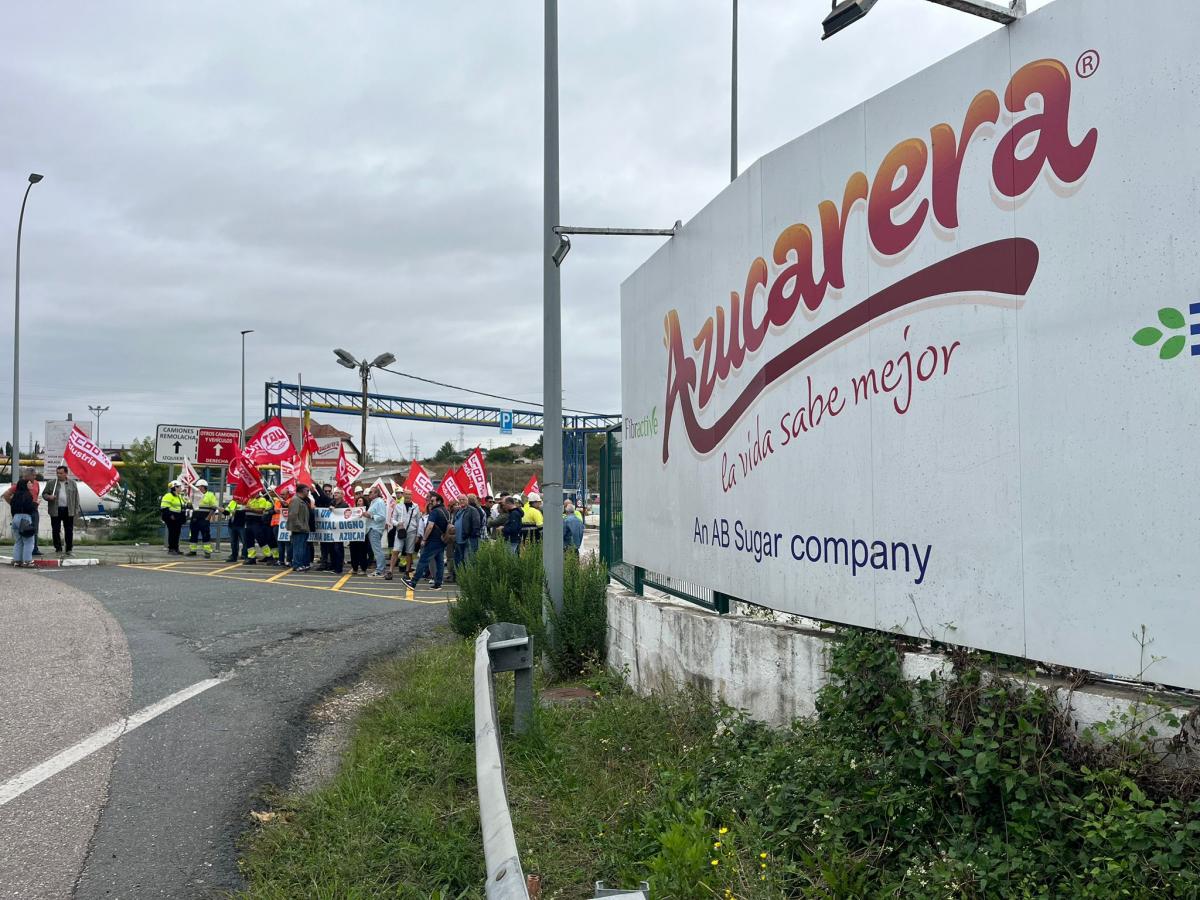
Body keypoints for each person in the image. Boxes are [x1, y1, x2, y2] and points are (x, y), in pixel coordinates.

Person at [405, 493, 449, 590]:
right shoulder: (446, 511)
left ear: (439, 501)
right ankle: (438, 583)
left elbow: (430, 526)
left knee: (423, 561)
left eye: (432, 501)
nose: (430, 503)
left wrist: (424, 539)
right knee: (440, 562)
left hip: (433, 540)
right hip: (442, 540)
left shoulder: (434, 511)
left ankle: (413, 582)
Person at [43, 464, 81, 557]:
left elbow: (76, 497)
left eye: (61, 473)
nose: (59, 475)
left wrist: (76, 510)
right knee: (56, 530)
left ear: (66, 474)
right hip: (55, 510)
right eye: (57, 473)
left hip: (69, 510)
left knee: (69, 530)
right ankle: (58, 548)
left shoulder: (72, 483)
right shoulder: (51, 483)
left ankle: (69, 549)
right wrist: (49, 497)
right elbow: (44, 494)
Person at [387, 491, 422, 581]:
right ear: (403, 495)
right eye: (406, 494)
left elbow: (418, 521)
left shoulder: (416, 507)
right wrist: (398, 523)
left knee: (409, 552)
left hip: (412, 532)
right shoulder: (398, 506)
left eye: (409, 494)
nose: (407, 496)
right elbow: (393, 519)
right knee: (395, 551)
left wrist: (418, 535)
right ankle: (390, 571)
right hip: (400, 531)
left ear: (411, 496)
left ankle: (407, 572)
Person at [4, 476, 38, 567]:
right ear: (25, 485)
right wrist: (35, 504)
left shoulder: (15, 496)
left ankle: (17, 560)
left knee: (18, 541)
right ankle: (27, 561)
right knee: (28, 541)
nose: (31, 484)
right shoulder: (28, 495)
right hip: (25, 518)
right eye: (29, 483)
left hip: (15, 518)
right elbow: (29, 508)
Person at [187, 479, 219, 558]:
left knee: (205, 535)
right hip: (195, 518)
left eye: (199, 487)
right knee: (193, 535)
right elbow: (189, 506)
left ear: (203, 487)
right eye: (197, 487)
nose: (197, 488)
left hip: (204, 518)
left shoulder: (210, 495)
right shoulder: (194, 495)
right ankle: (192, 551)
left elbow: (214, 507)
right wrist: (189, 502)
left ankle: (207, 552)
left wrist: (208, 517)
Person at [243, 488, 275, 565]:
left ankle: (269, 556)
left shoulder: (262, 500)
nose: (251, 494)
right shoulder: (250, 500)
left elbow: (261, 511)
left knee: (261, 540)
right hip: (248, 522)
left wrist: (250, 509)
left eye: (252, 492)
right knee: (249, 541)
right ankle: (251, 557)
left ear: (257, 492)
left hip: (257, 522)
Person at [287, 483, 313, 571]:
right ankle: (297, 565)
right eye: (307, 490)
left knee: (302, 547)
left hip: (303, 528)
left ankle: (301, 564)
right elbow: (293, 515)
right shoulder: (295, 500)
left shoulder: (302, 500)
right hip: (299, 529)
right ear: (302, 491)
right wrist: (301, 526)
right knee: (298, 547)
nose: (308, 492)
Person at [365, 485, 388, 577]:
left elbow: (382, 516)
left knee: (377, 550)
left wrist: (370, 516)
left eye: (371, 492)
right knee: (377, 550)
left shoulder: (379, 502)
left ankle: (380, 570)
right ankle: (380, 569)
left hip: (375, 529)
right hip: (372, 528)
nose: (369, 493)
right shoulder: (374, 502)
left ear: (376, 493)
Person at [457, 494, 484, 567]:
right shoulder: (459, 510)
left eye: (463, 499)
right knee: (461, 560)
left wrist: (470, 536)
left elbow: (476, 525)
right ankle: (462, 577)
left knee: (469, 560)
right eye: (460, 500)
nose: (461, 501)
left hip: (469, 539)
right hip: (459, 539)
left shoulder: (472, 510)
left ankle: (470, 577)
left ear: (467, 500)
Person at [160, 481, 185, 555]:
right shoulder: (168, 496)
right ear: (175, 487)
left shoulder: (179, 496)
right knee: (172, 533)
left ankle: (176, 548)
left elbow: (181, 506)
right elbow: (164, 507)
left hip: (178, 517)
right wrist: (171, 516)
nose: (180, 488)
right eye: (179, 487)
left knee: (177, 533)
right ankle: (171, 549)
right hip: (171, 517)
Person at [327, 487, 347, 575]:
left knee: (338, 549)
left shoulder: (344, 505)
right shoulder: (332, 503)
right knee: (332, 549)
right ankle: (334, 566)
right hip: (332, 530)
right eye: (335, 493)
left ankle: (339, 568)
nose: (335, 494)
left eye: (338, 493)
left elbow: (343, 516)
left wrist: (334, 510)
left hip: (339, 530)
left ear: (342, 495)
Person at [314, 483, 333, 570]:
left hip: (332, 528)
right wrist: (313, 491)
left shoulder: (333, 500)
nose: (327, 492)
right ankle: (324, 563)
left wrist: (316, 485)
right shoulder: (320, 500)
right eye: (326, 491)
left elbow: (325, 498)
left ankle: (330, 563)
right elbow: (317, 499)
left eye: (329, 491)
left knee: (331, 548)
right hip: (322, 528)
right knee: (323, 547)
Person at [224, 496, 247, 562]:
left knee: (245, 541)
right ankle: (234, 556)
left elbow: (245, 513)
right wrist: (222, 510)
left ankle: (245, 555)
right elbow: (227, 512)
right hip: (232, 525)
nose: (234, 498)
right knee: (233, 542)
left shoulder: (245, 502)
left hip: (241, 525)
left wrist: (236, 512)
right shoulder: (232, 502)